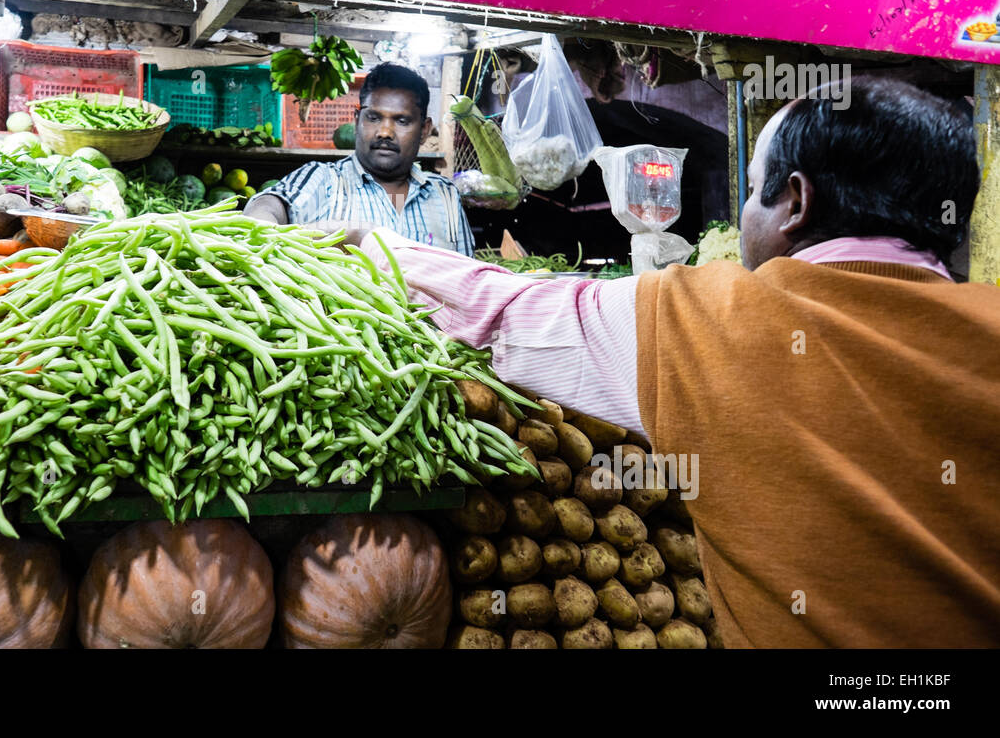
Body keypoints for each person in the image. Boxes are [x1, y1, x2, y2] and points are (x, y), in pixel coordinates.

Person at [337, 77, 1000, 647]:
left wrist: (368, 247)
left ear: (795, 202)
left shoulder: (701, 318)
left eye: (751, 193)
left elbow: (506, 311)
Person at [245, 62, 474, 256]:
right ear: (357, 120)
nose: (385, 132)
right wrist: (263, 228)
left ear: (424, 130)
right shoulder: (323, 179)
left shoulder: (445, 195)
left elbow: (468, 279)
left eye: (402, 121)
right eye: (373, 118)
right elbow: (269, 204)